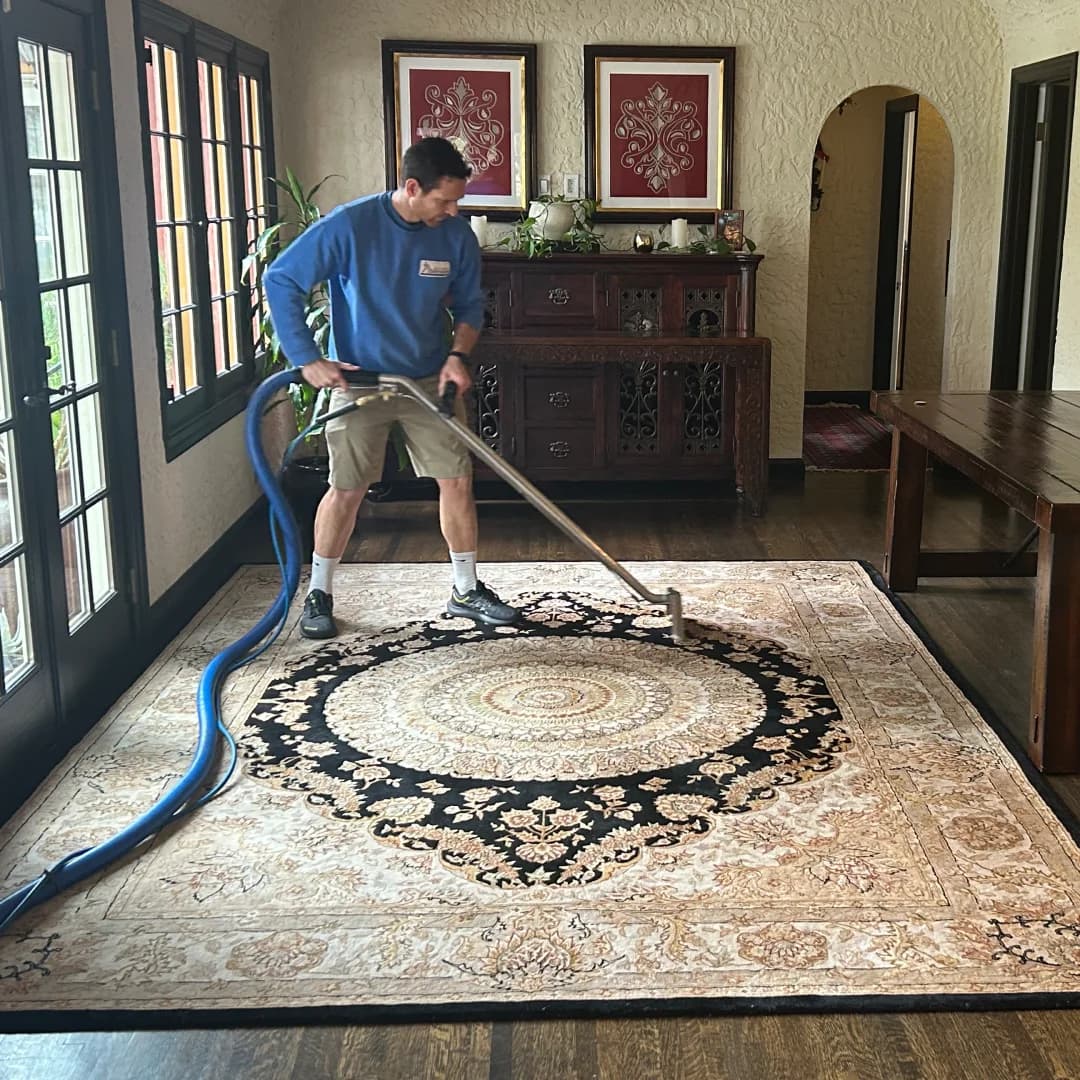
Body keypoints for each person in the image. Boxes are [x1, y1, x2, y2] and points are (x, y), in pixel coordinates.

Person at [263, 137, 519, 639]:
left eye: (458, 201)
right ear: (411, 187)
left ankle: (465, 590)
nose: (453, 210)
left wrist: (457, 357)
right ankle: (320, 592)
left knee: (457, 480)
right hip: (361, 379)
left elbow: (470, 308)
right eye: (444, 200)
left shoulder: (455, 237)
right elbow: (281, 279)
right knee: (348, 487)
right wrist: (307, 359)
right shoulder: (350, 225)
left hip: (428, 380)